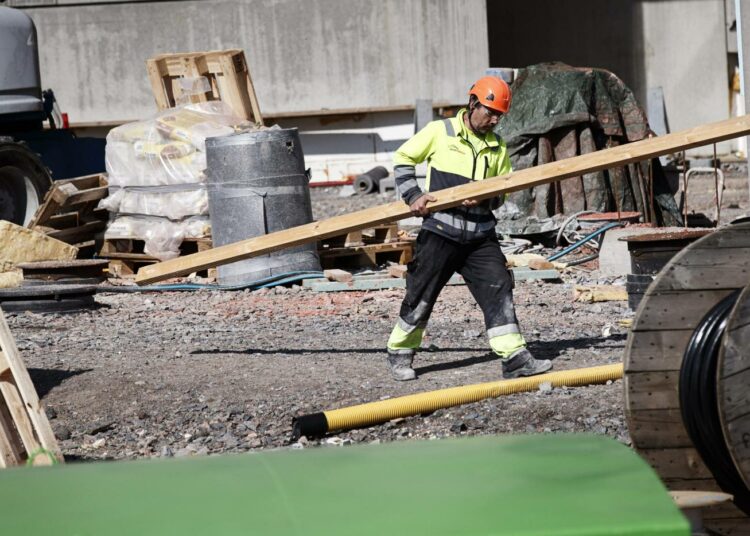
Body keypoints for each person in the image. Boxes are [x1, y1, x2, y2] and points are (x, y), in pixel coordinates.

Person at [385, 76, 552, 381]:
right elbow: (403, 158)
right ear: (473, 103)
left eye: (499, 115)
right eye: (489, 112)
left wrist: (486, 195)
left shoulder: (497, 146)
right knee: (421, 294)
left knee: (499, 289)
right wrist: (413, 194)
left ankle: (514, 358)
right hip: (440, 232)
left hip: (479, 238)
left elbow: (501, 195)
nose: (494, 120)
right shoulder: (441, 131)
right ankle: (399, 352)